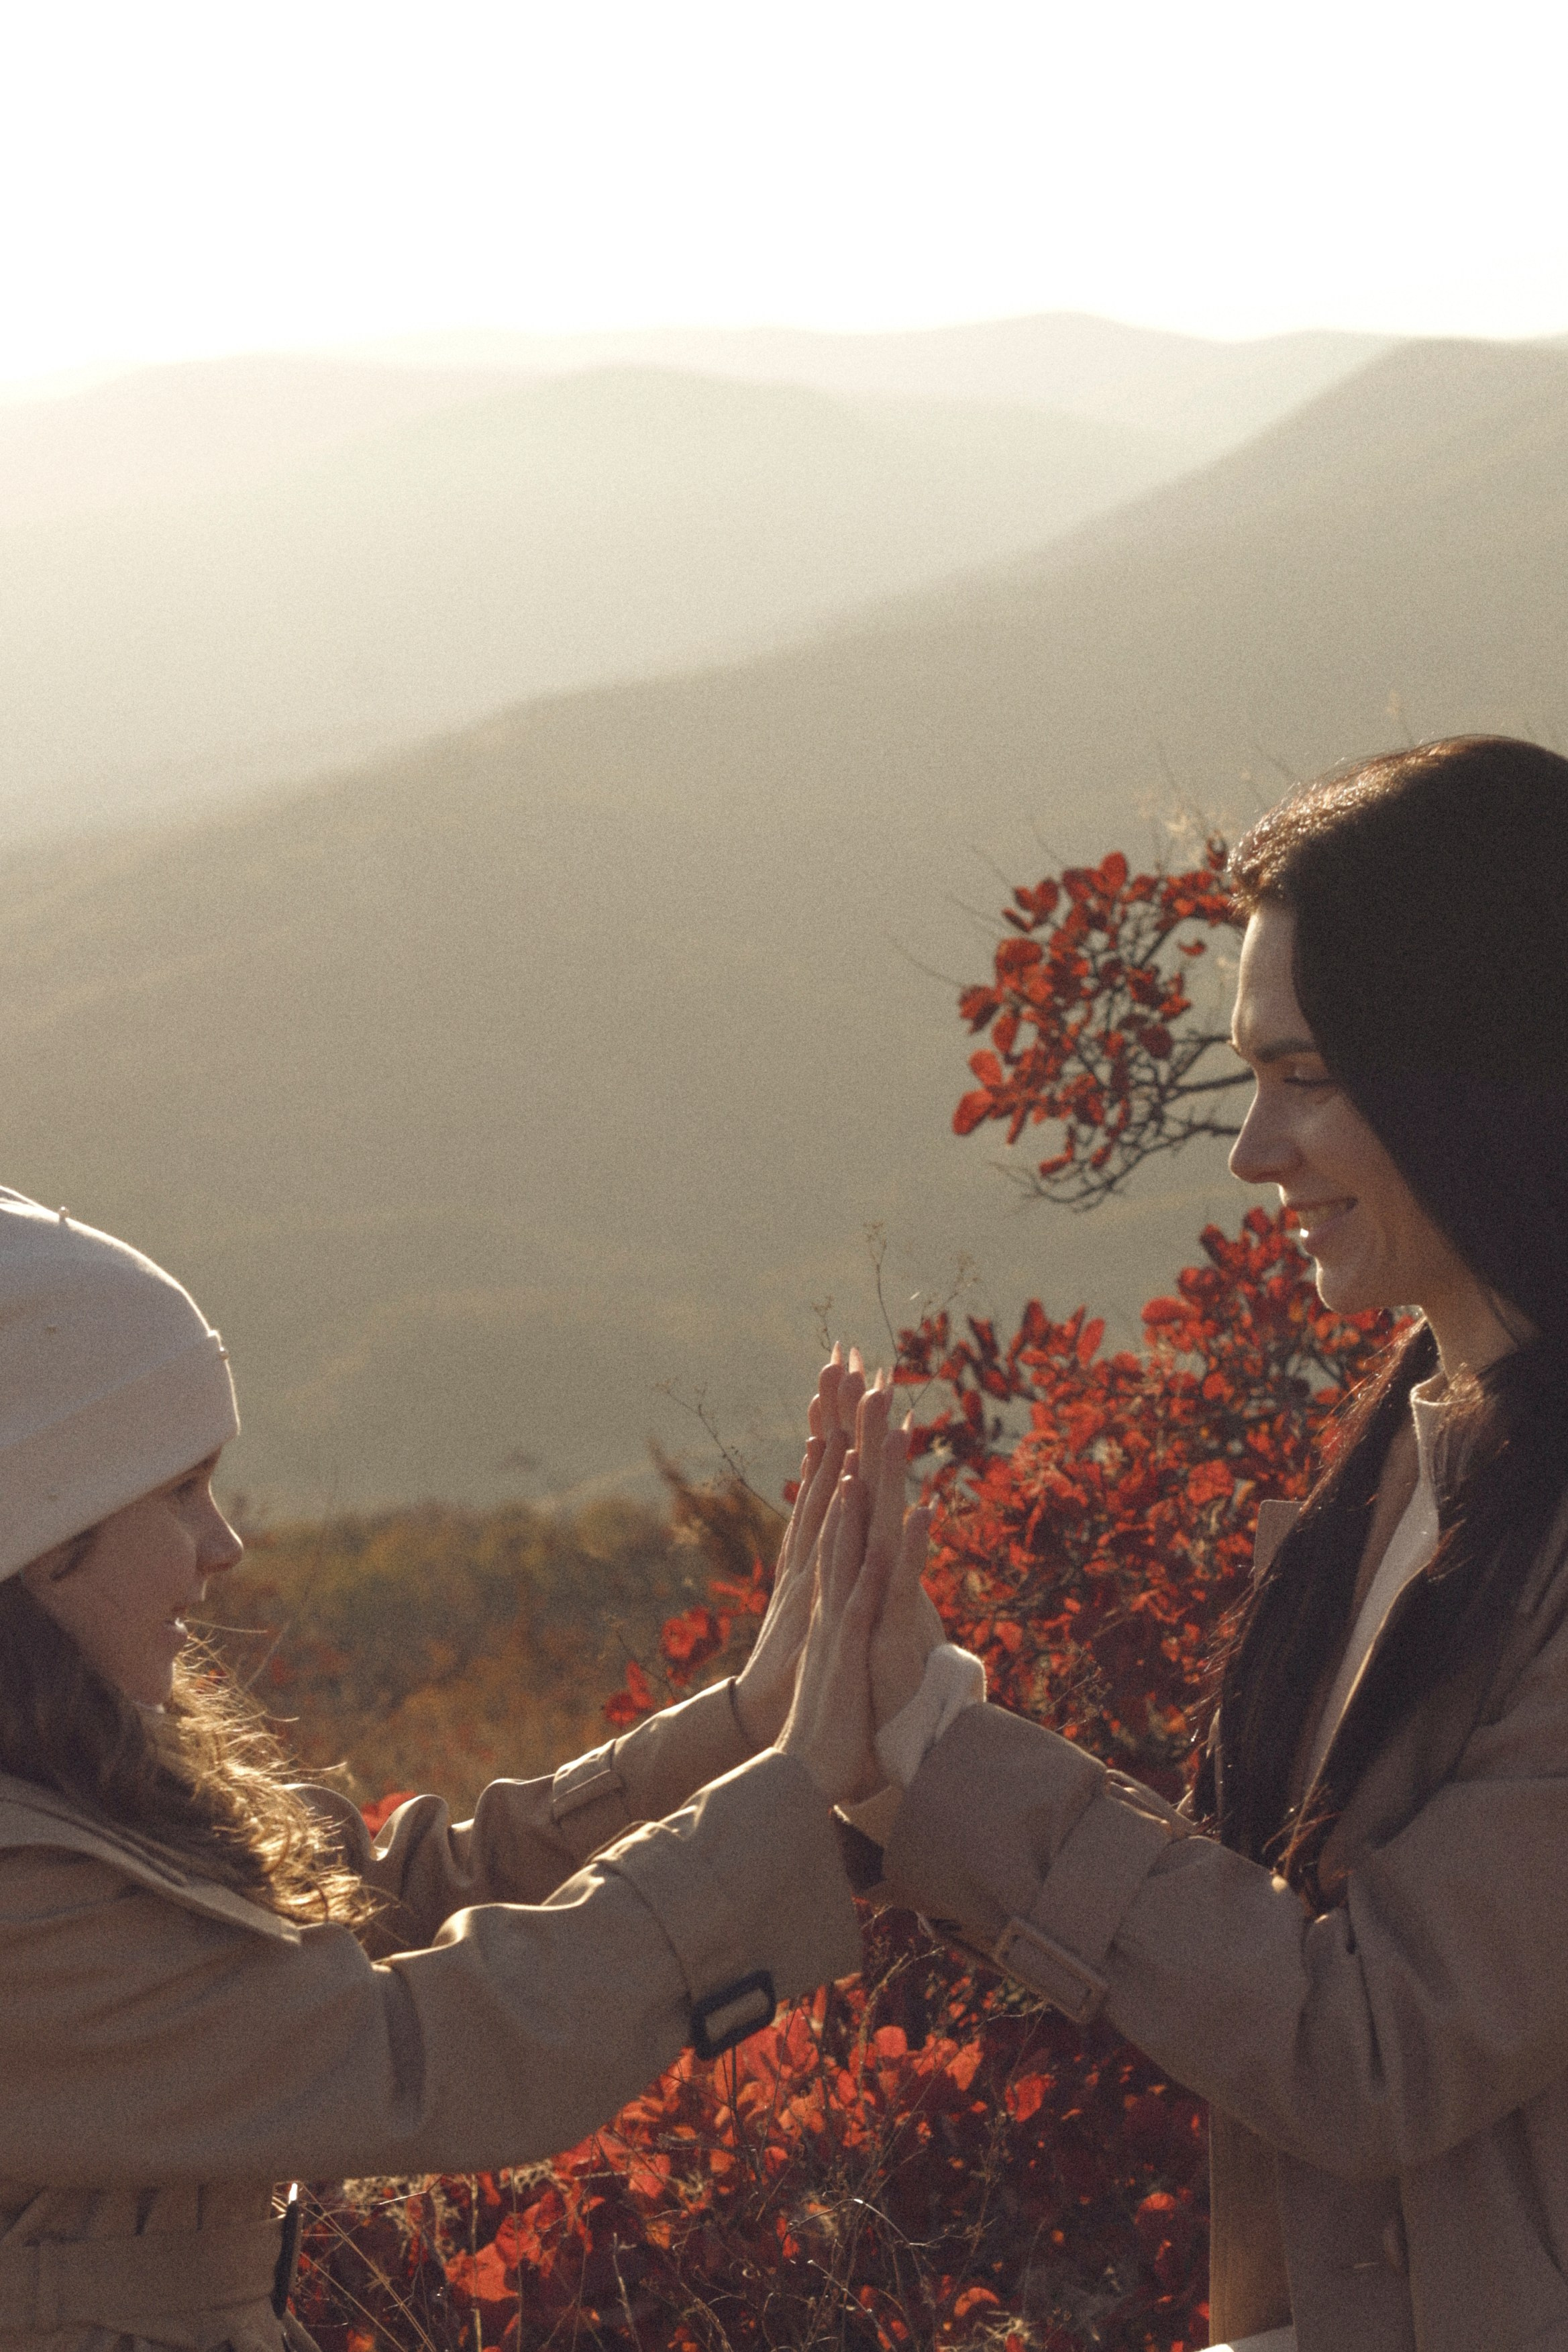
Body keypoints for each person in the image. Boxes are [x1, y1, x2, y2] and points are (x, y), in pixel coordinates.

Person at [845, 737, 1568, 2352]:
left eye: (1306, 1078)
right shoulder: (1401, 1455)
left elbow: (1373, 2039)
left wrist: (934, 1753)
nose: (1250, 1152)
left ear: (1483, 1071)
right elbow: (1255, 1928)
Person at [0, 1188, 917, 2349]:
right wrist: (790, 1797)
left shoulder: (76, 1784)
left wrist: (745, 1722)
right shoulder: (22, 1906)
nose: (225, 1544)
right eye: (180, 1491)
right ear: (45, 1539)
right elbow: (419, 2049)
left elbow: (395, 1892)